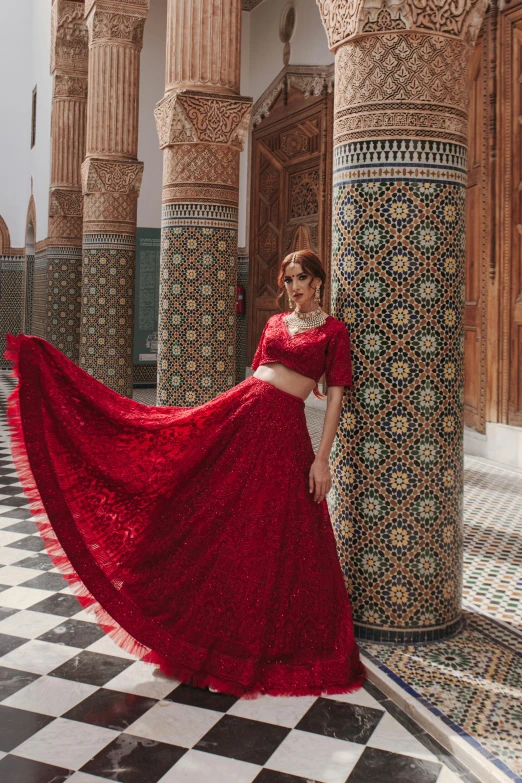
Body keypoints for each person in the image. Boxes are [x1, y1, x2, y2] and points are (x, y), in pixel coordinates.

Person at [3, 249, 365, 699]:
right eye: (288, 278)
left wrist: (322, 458)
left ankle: (260, 641)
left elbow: (334, 397)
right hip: (244, 415)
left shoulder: (333, 331)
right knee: (196, 486)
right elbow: (259, 374)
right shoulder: (275, 324)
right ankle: (194, 632)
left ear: (318, 283)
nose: (293, 286)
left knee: (273, 529)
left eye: (301, 278)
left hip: (286, 434)